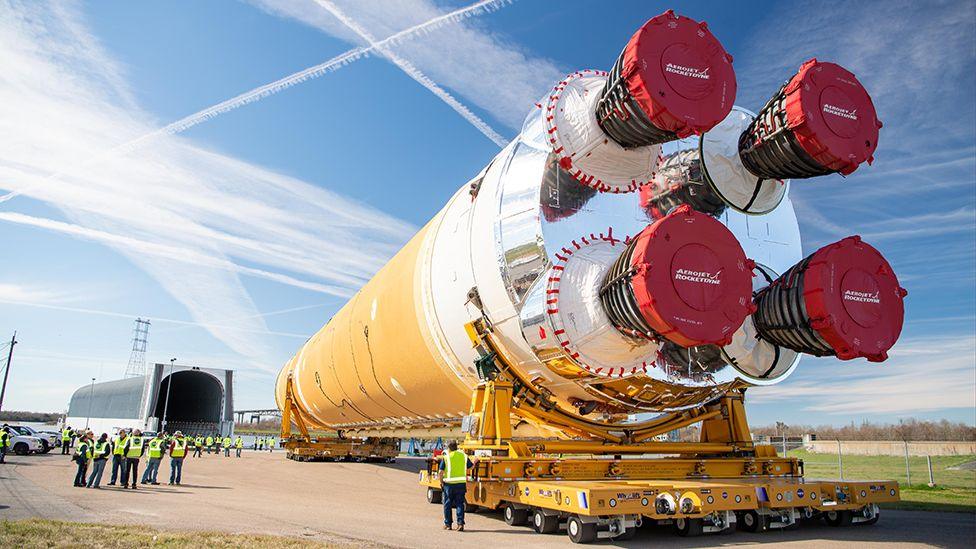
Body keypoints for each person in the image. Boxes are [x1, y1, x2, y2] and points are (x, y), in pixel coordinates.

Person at [438, 441, 472, 531]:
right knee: (459, 504)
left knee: (447, 505)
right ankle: (460, 524)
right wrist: (475, 462)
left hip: (448, 485)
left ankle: (448, 524)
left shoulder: (446, 457)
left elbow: (440, 472)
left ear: (449, 448)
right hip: (461, 484)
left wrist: (441, 482)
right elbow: (470, 467)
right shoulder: (464, 456)